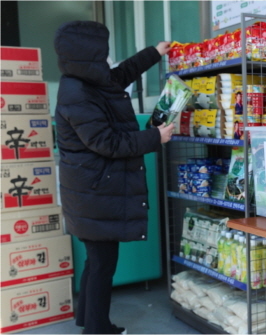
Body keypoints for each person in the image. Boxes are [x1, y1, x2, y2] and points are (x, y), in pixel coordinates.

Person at [53, 20, 175, 334]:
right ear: (88, 55)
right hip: (94, 193)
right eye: (103, 54)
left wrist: (154, 53)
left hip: (92, 191)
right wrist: (155, 138)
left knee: (96, 260)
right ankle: (97, 328)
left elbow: (121, 75)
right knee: (103, 263)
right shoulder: (76, 94)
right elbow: (107, 143)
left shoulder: (87, 80)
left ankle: (86, 318)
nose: (108, 61)